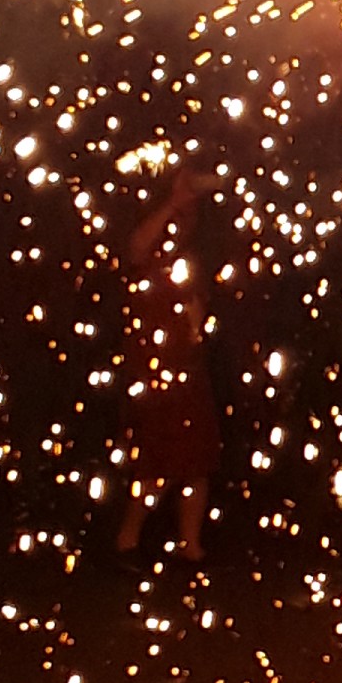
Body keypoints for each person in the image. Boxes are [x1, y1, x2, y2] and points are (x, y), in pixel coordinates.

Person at [116, 161, 223, 565]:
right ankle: (128, 539)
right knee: (156, 455)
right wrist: (170, 205)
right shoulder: (153, 225)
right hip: (153, 359)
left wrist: (198, 322)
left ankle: (190, 545)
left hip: (187, 355)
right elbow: (135, 249)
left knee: (197, 455)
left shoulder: (202, 237)